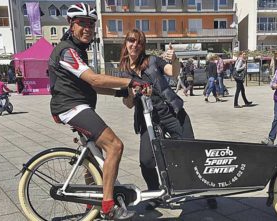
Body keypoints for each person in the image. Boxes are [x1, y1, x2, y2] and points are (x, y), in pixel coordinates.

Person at [48, 3, 148, 220]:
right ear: (70, 25)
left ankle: (90, 206)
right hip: (71, 107)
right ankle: (108, 206)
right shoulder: (67, 51)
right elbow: (94, 78)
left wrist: (121, 93)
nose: (87, 28)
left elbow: (91, 86)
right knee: (115, 146)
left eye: (91, 24)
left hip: (75, 105)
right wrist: (131, 80)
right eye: (82, 23)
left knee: (95, 158)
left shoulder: (77, 50)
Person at [117, 29, 211, 210]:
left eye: (139, 42)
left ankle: (206, 189)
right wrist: (132, 92)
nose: (135, 44)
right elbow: (128, 104)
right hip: (148, 120)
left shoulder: (152, 60)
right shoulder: (123, 72)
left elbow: (172, 72)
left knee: (192, 151)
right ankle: (155, 193)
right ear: (126, 43)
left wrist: (174, 58)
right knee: (146, 161)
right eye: (131, 40)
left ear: (143, 45)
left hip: (172, 112)